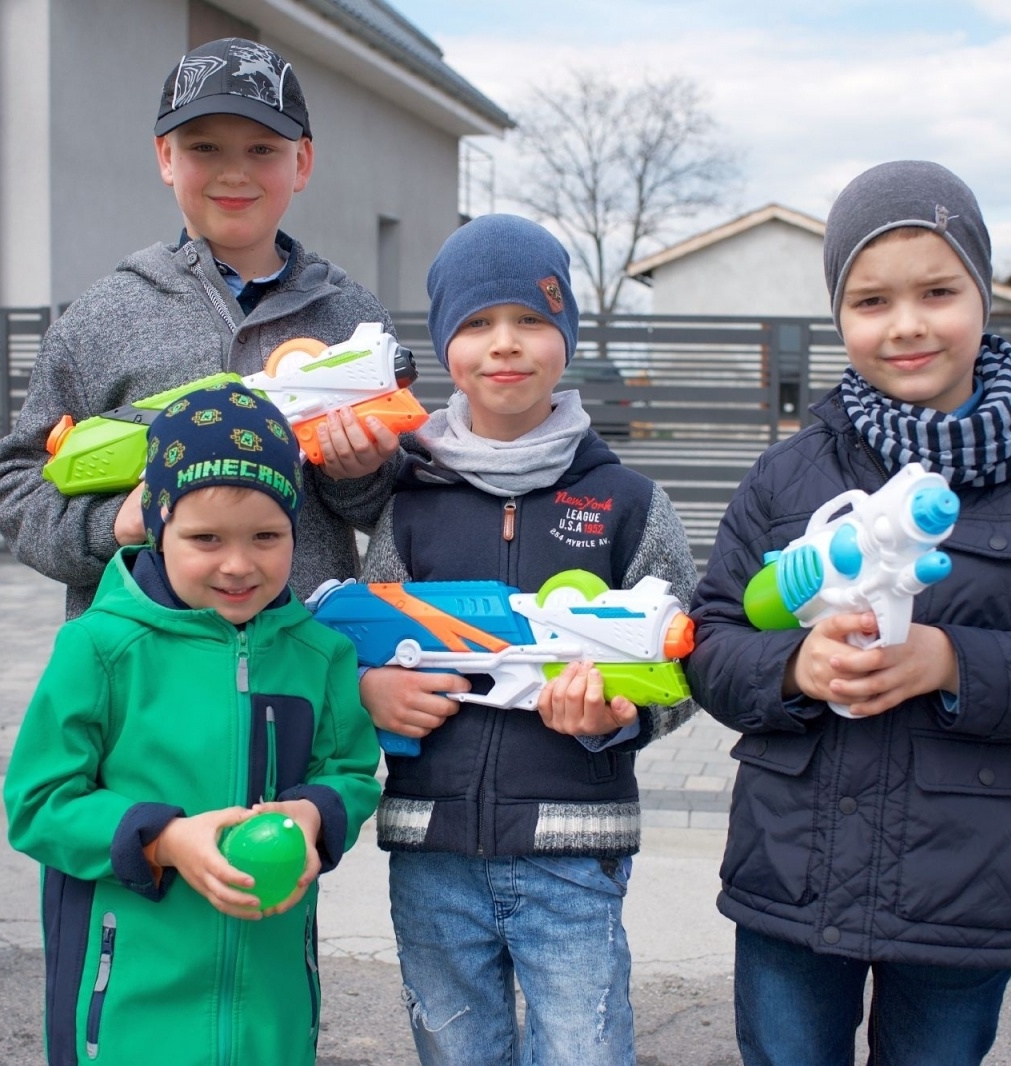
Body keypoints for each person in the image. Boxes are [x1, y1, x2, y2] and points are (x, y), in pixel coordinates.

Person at [685, 161, 1011, 1066]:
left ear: (985, 295)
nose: (906, 324)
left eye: (938, 292)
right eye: (871, 301)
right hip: (792, 876)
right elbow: (708, 642)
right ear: (839, 316)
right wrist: (793, 668)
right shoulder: (789, 474)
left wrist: (953, 662)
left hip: (967, 887)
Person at [357, 214, 699, 1065]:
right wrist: (368, 695)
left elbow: (688, 660)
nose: (504, 343)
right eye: (476, 322)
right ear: (444, 343)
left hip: (574, 855)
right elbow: (360, 640)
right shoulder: (408, 503)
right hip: (430, 850)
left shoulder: (629, 502)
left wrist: (621, 717)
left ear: (567, 336)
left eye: (531, 320)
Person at [3, 382, 382, 1066]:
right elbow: (38, 803)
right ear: (156, 526)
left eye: (266, 536)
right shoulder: (100, 647)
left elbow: (350, 773)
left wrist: (313, 815)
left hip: (270, 1007)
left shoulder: (319, 654)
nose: (238, 564)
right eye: (205, 538)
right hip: (125, 1010)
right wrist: (166, 840)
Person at [0, 37, 400, 620]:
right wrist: (116, 523)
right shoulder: (100, 317)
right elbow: (15, 485)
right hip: (143, 664)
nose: (234, 172)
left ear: (302, 162)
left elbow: (400, 507)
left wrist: (359, 477)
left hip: (308, 656)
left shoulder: (353, 319)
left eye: (262, 148)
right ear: (166, 157)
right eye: (204, 147)